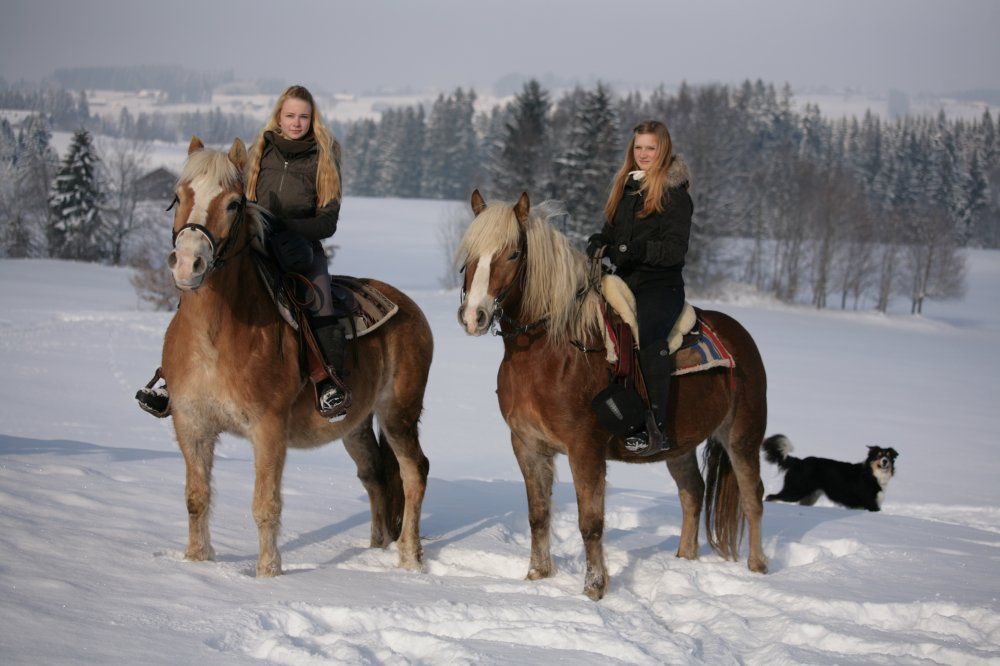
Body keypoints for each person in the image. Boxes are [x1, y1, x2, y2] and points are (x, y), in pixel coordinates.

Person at [137, 85, 349, 417]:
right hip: (255, 242)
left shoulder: (324, 158)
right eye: (290, 115)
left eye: (303, 117)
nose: (296, 123)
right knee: (199, 291)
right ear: (279, 115)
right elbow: (230, 194)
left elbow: (328, 222)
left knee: (320, 301)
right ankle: (168, 379)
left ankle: (327, 382)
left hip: (301, 247)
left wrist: (287, 226)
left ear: (313, 119)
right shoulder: (258, 151)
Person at [587, 120, 693, 455]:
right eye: (638, 148)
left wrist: (633, 251)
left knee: (647, 338)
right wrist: (598, 242)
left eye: (650, 148)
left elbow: (675, 251)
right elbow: (610, 231)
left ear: (664, 150)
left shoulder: (675, 195)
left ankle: (654, 427)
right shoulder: (626, 188)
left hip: (660, 284)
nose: (643, 154)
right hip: (623, 280)